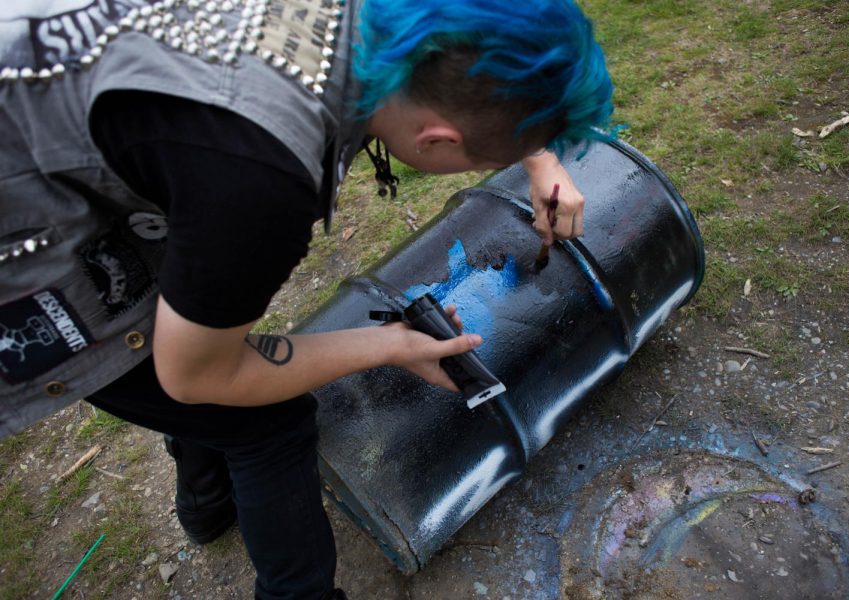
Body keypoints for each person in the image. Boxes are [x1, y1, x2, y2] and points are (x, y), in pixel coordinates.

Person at [0, 0, 616, 597]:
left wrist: (537, 156)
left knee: (205, 325)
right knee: (265, 422)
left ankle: (206, 506)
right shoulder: (258, 179)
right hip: (36, 272)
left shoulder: (371, 25)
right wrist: (390, 344)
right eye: (487, 159)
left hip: (95, 145)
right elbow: (194, 374)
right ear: (436, 140)